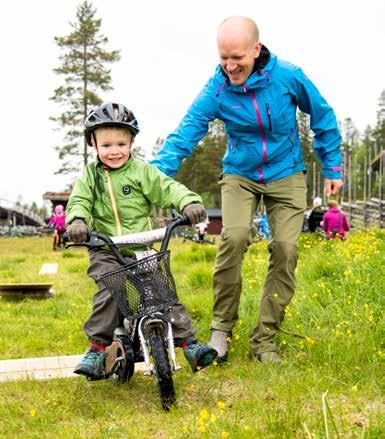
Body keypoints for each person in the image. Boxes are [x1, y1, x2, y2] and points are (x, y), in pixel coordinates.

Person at [151, 16, 343, 364]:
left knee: (285, 248)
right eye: (223, 57)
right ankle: (221, 329)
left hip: (286, 172)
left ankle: (265, 339)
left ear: (256, 49)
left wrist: (332, 165)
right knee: (234, 237)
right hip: (240, 172)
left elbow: (323, 116)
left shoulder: (288, 76)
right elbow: (185, 134)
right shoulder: (217, 88)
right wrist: (149, 178)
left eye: (237, 57)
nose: (230, 65)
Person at [66, 102, 217, 379]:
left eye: (121, 144)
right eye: (107, 145)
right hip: (106, 248)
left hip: (142, 245)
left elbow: (166, 187)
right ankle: (97, 347)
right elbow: (79, 201)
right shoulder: (91, 176)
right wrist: (77, 222)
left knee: (163, 292)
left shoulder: (140, 170)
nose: (114, 151)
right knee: (109, 291)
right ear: (93, 144)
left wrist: (189, 202)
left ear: (132, 142)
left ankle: (189, 344)